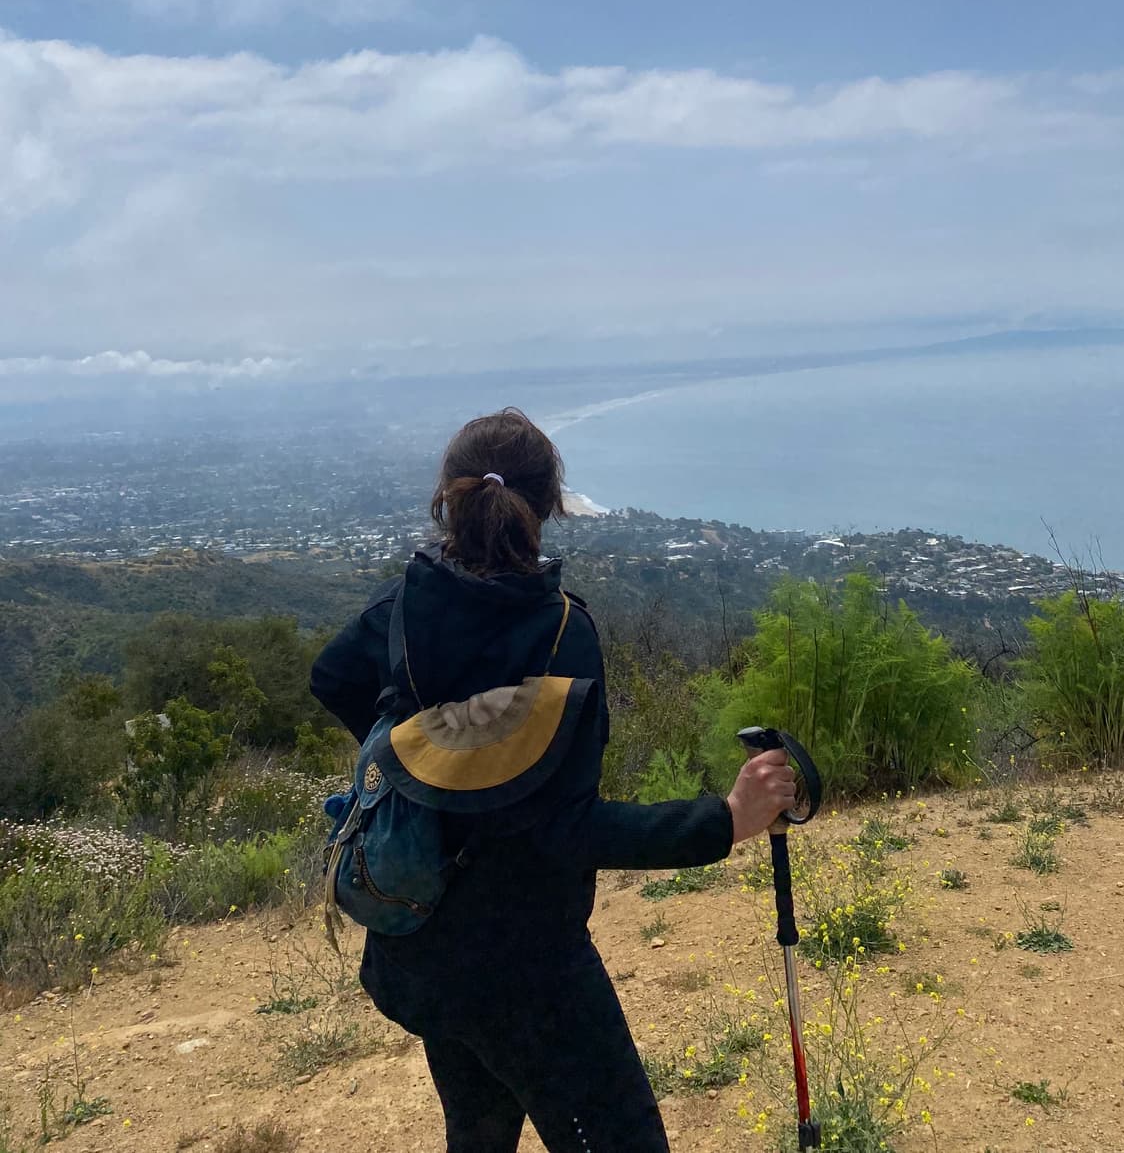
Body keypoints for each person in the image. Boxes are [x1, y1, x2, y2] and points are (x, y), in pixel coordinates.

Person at [311, 407, 795, 1153]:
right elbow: (566, 828)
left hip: (420, 936)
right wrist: (726, 818)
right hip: (528, 966)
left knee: (478, 1131)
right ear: (546, 506)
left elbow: (332, 675)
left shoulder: (405, 605)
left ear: (450, 498)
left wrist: (419, 770)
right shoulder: (560, 632)